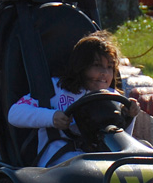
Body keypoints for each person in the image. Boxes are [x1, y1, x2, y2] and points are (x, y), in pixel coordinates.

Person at [7, 30, 142, 167]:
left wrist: (129, 116)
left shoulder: (113, 97)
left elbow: (122, 139)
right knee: (87, 168)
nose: (104, 73)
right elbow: (14, 113)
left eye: (109, 67)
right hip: (57, 162)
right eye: (97, 66)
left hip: (100, 160)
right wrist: (51, 117)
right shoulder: (53, 89)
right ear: (81, 67)